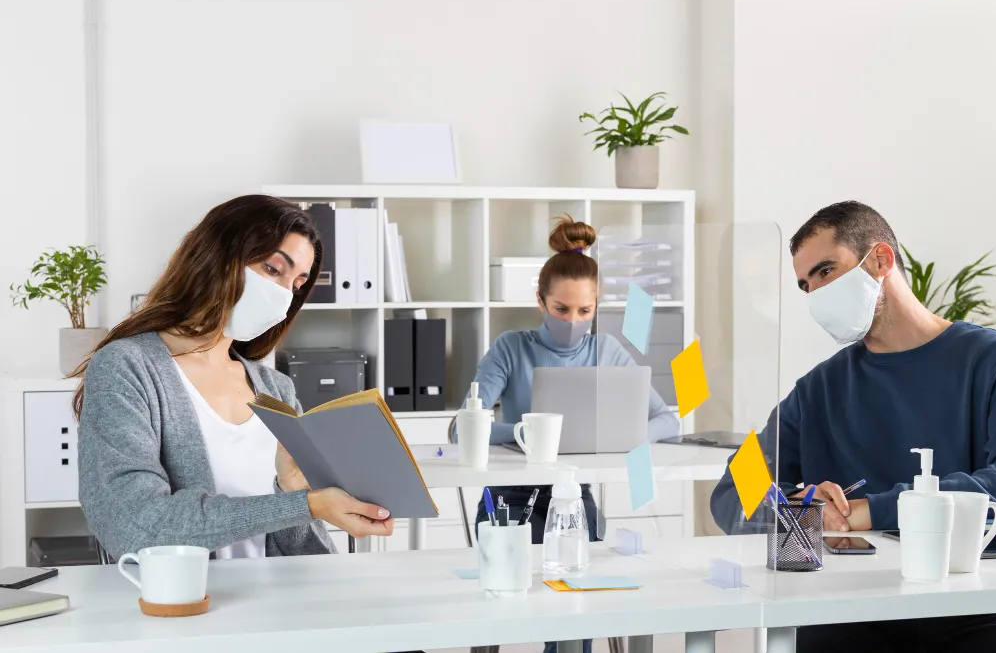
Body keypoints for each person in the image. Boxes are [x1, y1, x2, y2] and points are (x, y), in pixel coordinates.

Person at [711, 200, 996, 651]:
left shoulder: (988, 362)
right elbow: (732, 490)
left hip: (972, 606)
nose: (815, 294)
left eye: (825, 272)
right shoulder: (817, 391)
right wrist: (801, 507)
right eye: (805, 286)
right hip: (849, 610)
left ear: (881, 260)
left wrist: (868, 511)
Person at [74, 195, 394, 561]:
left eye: (296, 283)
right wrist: (303, 505)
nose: (283, 295)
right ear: (218, 256)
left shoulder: (276, 389)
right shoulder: (127, 368)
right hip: (188, 612)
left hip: (280, 609)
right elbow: (135, 527)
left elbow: (301, 549)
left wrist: (292, 492)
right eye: (274, 269)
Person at [459, 216, 680, 653]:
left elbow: (667, 421)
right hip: (508, 497)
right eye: (561, 309)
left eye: (585, 310)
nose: (573, 321)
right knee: (498, 615)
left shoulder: (607, 350)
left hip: (573, 497)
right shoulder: (512, 347)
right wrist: (526, 434)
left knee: (573, 623)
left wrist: (620, 435)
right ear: (540, 301)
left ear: (598, 305)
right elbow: (464, 426)